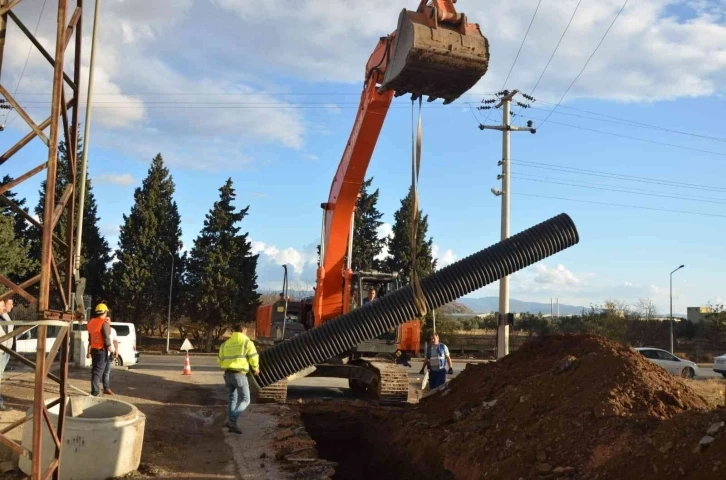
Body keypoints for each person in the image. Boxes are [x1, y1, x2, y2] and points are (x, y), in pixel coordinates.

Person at [217, 324, 260, 434]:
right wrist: (256, 368)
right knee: (246, 399)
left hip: (227, 374)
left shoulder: (225, 344)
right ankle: (232, 420)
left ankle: (232, 424)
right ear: (244, 330)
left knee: (232, 399)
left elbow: (220, 360)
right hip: (239, 374)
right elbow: (253, 357)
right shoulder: (247, 342)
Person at [86, 303, 112, 396]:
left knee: (95, 370)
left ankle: (95, 390)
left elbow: (90, 338)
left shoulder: (91, 322)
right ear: (104, 312)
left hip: (94, 349)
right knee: (98, 372)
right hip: (101, 350)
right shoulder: (103, 323)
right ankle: (95, 391)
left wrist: (88, 350)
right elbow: (106, 336)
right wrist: (110, 347)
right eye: (106, 313)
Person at [0, 299, 13, 411]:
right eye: (9, 304)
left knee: (0, 376)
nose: (10, 306)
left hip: (6, 351)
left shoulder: (5, 316)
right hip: (0, 351)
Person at [101, 316, 119, 395]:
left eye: (108, 319)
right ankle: (95, 389)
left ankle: (106, 388)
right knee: (99, 372)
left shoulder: (113, 331)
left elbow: (115, 341)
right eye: (105, 320)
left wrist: (116, 350)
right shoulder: (100, 330)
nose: (106, 321)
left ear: (110, 321)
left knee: (107, 372)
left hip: (110, 354)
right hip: (101, 353)